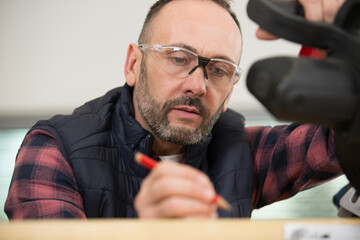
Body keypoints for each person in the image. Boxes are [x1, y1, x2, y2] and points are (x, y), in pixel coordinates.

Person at [5, 0, 345, 219]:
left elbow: (341, 139)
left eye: (219, 69)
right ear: (133, 65)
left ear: (229, 94)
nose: (197, 85)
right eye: (179, 58)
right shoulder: (54, 149)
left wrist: (347, 28)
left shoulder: (240, 153)